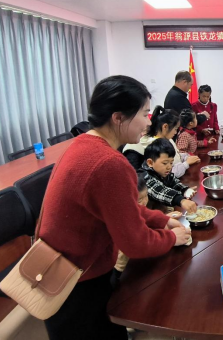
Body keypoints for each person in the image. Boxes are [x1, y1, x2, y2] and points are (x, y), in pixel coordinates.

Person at [39, 75, 191, 340]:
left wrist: (161, 220)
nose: (148, 122)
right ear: (118, 117)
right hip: (78, 284)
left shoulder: (83, 144)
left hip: (60, 274)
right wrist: (171, 237)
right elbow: (135, 244)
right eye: (143, 114)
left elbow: (118, 207)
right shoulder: (110, 163)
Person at [123, 106, 200, 177]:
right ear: (165, 127)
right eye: (175, 129)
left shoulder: (167, 139)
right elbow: (167, 173)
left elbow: (176, 155)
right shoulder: (153, 145)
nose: (176, 132)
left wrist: (186, 157)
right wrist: (186, 164)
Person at [142, 138, 198, 214]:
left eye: (171, 163)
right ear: (150, 163)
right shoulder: (144, 177)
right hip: (149, 214)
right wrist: (181, 200)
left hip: (162, 209)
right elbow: (160, 191)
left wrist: (184, 190)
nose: (169, 167)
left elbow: (174, 182)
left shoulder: (162, 171)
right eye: (165, 163)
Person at [112, 172, 149, 281]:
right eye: (139, 200)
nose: (144, 202)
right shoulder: (120, 221)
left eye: (146, 195)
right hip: (116, 271)